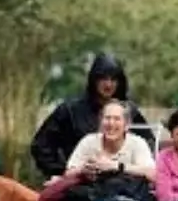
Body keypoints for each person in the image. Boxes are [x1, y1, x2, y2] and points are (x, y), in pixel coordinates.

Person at [29, 52, 155, 183]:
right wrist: (60, 172)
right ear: (94, 80)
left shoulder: (130, 111)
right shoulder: (69, 111)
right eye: (103, 79)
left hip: (125, 186)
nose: (108, 84)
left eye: (113, 79)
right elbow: (41, 146)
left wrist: (124, 168)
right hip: (80, 184)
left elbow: (149, 146)